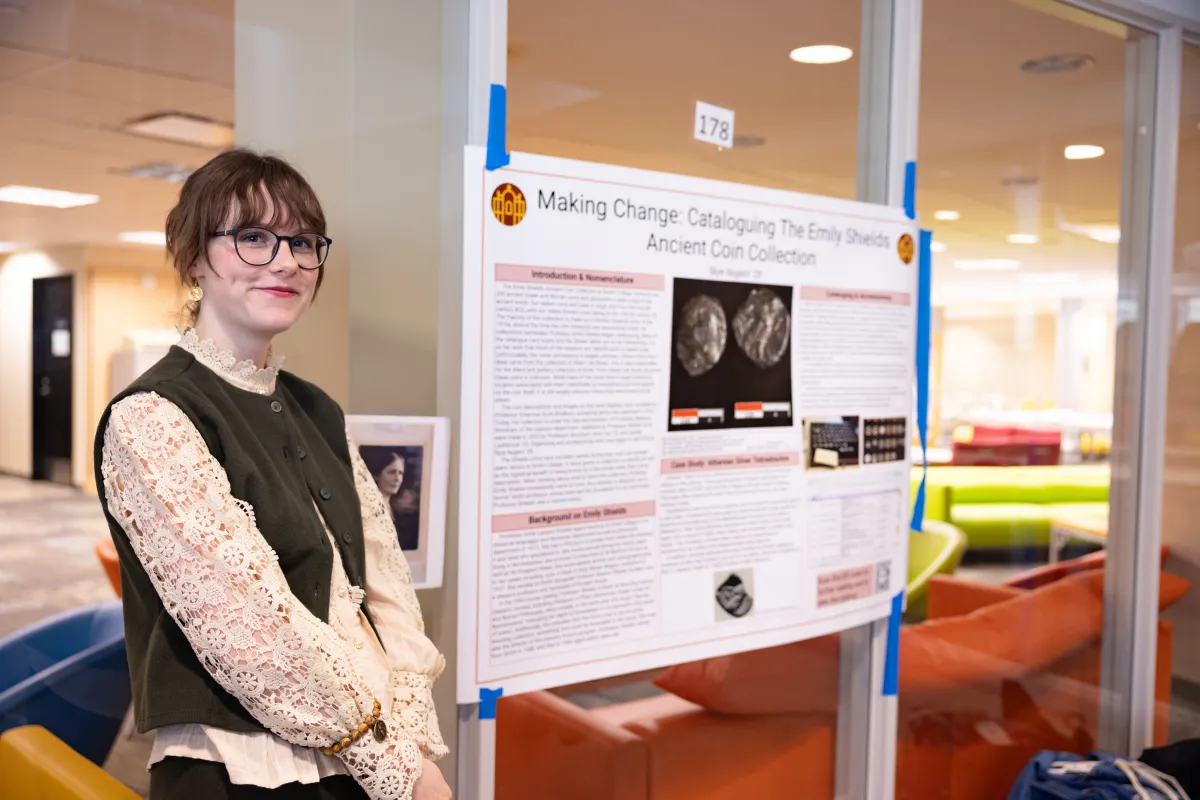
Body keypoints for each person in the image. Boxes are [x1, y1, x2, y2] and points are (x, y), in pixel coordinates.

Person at [94, 149, 452, 800]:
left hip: (363, 757)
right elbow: (252, 635)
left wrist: (409, 730)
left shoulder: (318, 408)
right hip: (240, 772)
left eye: (303, 242)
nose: (286, 261)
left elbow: (384, 587)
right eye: (254, 237)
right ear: (195, 257)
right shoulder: (152, 415)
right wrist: (400, 770)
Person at [362, 450, 420, 551]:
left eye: (400, 473)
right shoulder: (368, 508)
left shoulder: (396, 508)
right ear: (377, 475)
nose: (397, 478)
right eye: (392, 472)